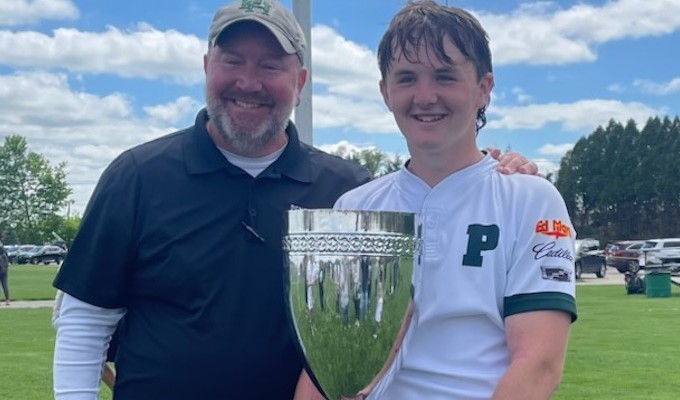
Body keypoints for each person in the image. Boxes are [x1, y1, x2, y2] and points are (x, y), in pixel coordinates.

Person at [52, 1, 539, 399]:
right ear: (206, 68)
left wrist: (497, 172)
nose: (249, 81)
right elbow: (85, 319)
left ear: (300, 83)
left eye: (270, 66)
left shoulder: (346, 192)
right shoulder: (137, 175)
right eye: (232, 61)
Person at [334, 2, 577, 399]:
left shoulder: (530, 198)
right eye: (407, 78)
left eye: (445, 77)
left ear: (484, 88)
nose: (425, 96)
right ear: (385, 92)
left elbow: (539, 364)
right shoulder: (353, 209)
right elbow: (334, 355)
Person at [0, 241, 10, 306]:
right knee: (5, 286)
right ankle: (7, 300)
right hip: (4, 270)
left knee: (5, 286)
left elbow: (6, 262)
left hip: (2, 270)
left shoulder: (2, 253)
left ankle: (7, 299)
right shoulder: (4, 253)